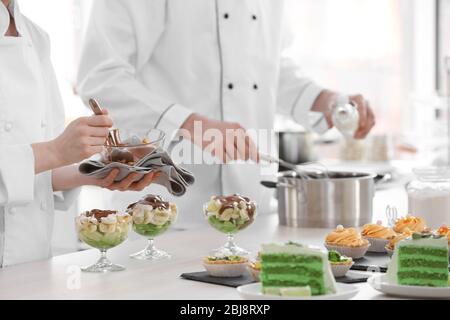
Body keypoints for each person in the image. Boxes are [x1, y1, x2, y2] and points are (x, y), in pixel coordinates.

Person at [77, 0, 375, 227]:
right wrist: (188, 123)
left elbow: (267, 68)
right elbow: (100, 78)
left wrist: (325, 100)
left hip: (252, 207)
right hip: (163, 210)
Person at [0, 0, 157, 267]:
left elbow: (33, 174)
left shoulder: (37, 38)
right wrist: (55, 151)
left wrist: (97, 171)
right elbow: (41, 156)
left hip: (32, 265)